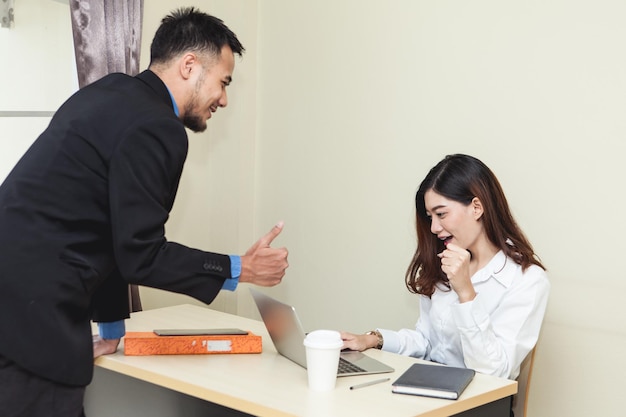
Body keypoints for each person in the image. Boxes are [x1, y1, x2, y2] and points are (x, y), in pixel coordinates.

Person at [0, 7, 288, 417]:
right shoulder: (158, 127)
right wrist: (240, 267)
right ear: (190, 66)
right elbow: (141, 253)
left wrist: (113, 328)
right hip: (31, 318)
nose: (223, 99)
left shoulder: (109, 92)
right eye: (224, 82)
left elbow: (110, 233)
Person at [341, 154, 549, 382]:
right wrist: (374, 339)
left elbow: (493, 371)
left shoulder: (526, 279)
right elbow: (428, 342)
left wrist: (466, 294)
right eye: (430, 217)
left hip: (482, 401)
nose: (433, 228)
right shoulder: (445, 263)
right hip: (432, 387)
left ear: (477, 207)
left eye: (441, 214)